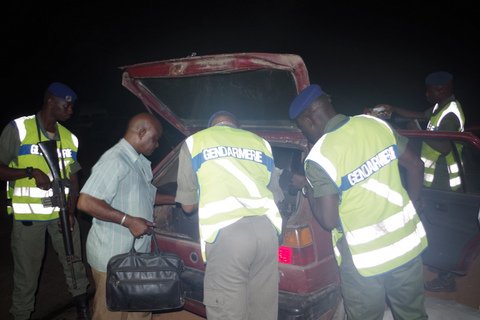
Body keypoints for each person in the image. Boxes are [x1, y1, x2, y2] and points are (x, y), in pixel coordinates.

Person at [289, 84, 428, 320]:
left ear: (308, 120)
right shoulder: (374, 124)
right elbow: (416, 165)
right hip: (406, 244)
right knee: (413, 315)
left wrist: (307, 188)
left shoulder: (319, 157)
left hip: (364, 259)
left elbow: (328, 220)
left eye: (301, 127)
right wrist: (412, 208)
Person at [175, 110, 283, 320]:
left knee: (227, 310)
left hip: (229, 236)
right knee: (263, 311)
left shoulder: (195, 142)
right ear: (237, 127)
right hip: (267, 233)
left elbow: (187, 207)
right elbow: (276, 195)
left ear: (211, 126)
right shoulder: (261, 143)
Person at [0, 82, 91, 320]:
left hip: (61, 214)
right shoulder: (19, 129)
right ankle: (21, 315)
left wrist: (71, 212)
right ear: (50, 101)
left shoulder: (69, 138)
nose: (71, 110)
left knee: (75, 266)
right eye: (66, 104)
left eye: (72, 105)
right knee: (27, 276)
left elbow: (73, 177)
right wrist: (29, 172)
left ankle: (83, 310)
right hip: (29, 219)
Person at [77, 112, 174, 320]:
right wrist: (128, 221)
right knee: (112, 315)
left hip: (136, 258)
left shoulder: (137, 162)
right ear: (141, 132)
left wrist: (178, 198)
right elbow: (86, 201)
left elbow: (149, 196)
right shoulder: (115, 159)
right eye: (154, 139)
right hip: (114, 260)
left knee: (138, 313)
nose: (157, 145)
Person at [376, 71, 465, 292]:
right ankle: (438, 265)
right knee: (432, 223)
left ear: (443, 89)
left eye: (431, 90)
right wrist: (394, 109)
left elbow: (444, 146)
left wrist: (418, 131)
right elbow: (419, 114)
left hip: (445, 182)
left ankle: (446, 277)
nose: (427, 94)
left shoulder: (451, 114)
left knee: (441, 229)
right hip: (434, 179)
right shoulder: (439, 108)